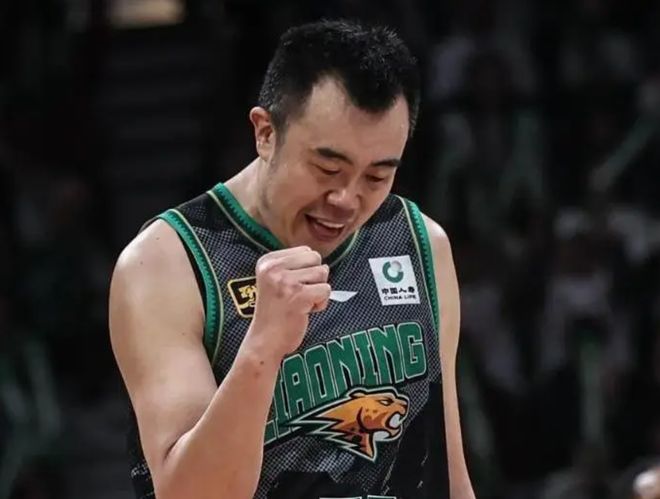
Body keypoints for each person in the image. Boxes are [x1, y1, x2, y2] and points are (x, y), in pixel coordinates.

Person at [109, 19, 475, 499]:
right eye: (327, 168)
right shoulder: (165, 264)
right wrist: (262, 347)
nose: (346, 199)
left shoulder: (420, 242)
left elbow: (448, 473)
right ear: (265, 133)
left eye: (376, 176)